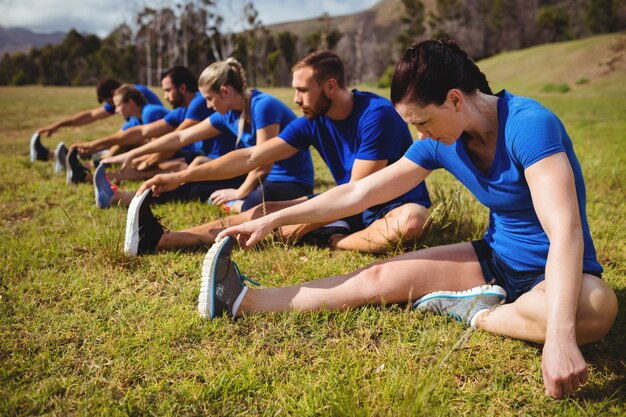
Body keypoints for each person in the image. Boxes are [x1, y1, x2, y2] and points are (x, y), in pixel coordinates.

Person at [196, 40, 617, 399]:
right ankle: (244, 300)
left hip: (556, 272)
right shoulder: (440, 141)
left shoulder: (529, 126)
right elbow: (360, 192)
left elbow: (564, 231)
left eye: (422, 121)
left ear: (454, 99)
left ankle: (477, 313)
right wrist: (275, 219)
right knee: (376, 279)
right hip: (494, 258)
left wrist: (560, 340)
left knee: (597, 307)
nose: (420, 136)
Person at [124, 50, 431, 256]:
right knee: (262, 210)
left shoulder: (375, 115)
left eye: (302, 90)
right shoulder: (313, 120)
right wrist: (182, 175)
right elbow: (251, 157)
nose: (295, 99)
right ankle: (163, 239)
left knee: (413, 222)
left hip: (385, 208)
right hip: (345, 205)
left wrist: (305, 220)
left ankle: (337, 240)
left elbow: (356, 194)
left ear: (330, 87)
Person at [100, 58, 314, 214]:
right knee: (197, 186)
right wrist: (133, 153)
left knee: (254, 202)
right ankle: (128, 198)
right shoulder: (227, 114)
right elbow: (181, 138)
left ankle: (240, 205)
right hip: (255, 177)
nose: (209, 106)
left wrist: (239, 193)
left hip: (290, 182)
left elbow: (263, 163)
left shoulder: (262, 106)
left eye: (210, 99)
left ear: (225, 92)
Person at [29, 78, 163, 169]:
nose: (115, 110)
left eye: (111, 103)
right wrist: (58, 125)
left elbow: (128, 136)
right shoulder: (124, 101)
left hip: (154, 142)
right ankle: (62, 157)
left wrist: (95, 145)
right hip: (145, 141)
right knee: (113, 144)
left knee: (117, 142)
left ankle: (76, 163)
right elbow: (91, 116)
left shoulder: (135, 97)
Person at [66, 84, 169, 184]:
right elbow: (118, 138)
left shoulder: (149, 113)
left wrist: (141, 161)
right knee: (127, 147)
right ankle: (86, 171)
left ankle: (84, 177)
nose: (116, 110)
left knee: (142, 168)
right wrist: (91, 146)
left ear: (131, 103)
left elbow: (161, 148)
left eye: (118, 106)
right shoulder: (136, 119)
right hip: (170, 153)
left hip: (178, 155)